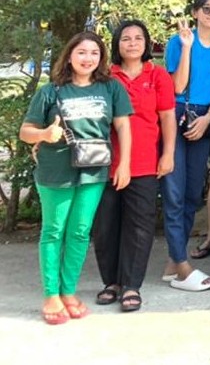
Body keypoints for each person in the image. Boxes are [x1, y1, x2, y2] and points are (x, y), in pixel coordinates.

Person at [22, 32, 133, 325]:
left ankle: (68, 291)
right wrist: (45, 134)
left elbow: (123, 128)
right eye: (82, 52)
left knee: (81, 231)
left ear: (101, 58)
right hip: (55, 169)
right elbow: (26, 131)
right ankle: (51, 294)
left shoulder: (111, 88)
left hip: (94, 170)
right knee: (54, 231)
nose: (88, 58)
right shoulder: (51, 91)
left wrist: (125, 165)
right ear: (70, 55)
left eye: (94, 53)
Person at [93, 21, 175, 313]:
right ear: (116, 45)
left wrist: (168, 154)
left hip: (144, 163)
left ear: (147, 43)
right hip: (103, 163)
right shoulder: (104, 77)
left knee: (138, 227)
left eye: (138, 37)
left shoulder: (159, 75)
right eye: (125, 38)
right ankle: (111, 282)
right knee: (105, 226)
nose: (132, 43)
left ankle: (131, 285)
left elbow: (167, 118)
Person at [163, 0, 210, 293]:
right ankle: (182, 263)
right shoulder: (179, 41)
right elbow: (177, 85)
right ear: (196, 11)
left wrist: (208, 118)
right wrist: (188, 47)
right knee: (174, 191)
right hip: (177, 114)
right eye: (206, 8)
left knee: (192, 192)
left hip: (203, 118)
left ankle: (173, 261)